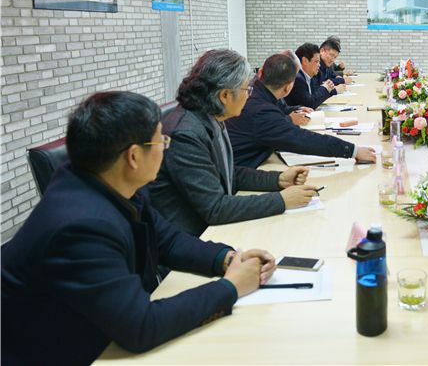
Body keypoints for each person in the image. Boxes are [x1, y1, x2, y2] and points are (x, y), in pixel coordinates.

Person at [1, 92, 276, 364]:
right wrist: (230, 287)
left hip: (102, 332)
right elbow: (140, 326)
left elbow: (167, 240)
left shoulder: (111, 182)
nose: (165, 148)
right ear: (133, 156)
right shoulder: (81, 228)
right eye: (161, 141)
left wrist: (227, 259)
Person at [148, 50, 318, 237]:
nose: (249, 96)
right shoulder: (186, 135)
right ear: (225, 95)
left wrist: (279, 179)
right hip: (195, 238)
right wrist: (282, 200)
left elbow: (228, 173)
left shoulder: (211, 116)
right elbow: (215, 208)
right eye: (246, 90)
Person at [227, 53, 377, 169]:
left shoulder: (259, 92)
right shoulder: (260, 109)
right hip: (238, 174)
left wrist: (294, 110)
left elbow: (279, 114)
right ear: (288, 87)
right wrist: (353, 151)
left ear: (260, 72)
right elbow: (303, 139)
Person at [286, 43, 345, 109]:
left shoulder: (308, 76)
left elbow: (315, 94)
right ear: (305, 61)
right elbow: (310, 104)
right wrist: (325, 88)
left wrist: (326, 87)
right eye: (316, 61)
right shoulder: (298, 78)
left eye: (319, 62)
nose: (319, 65)